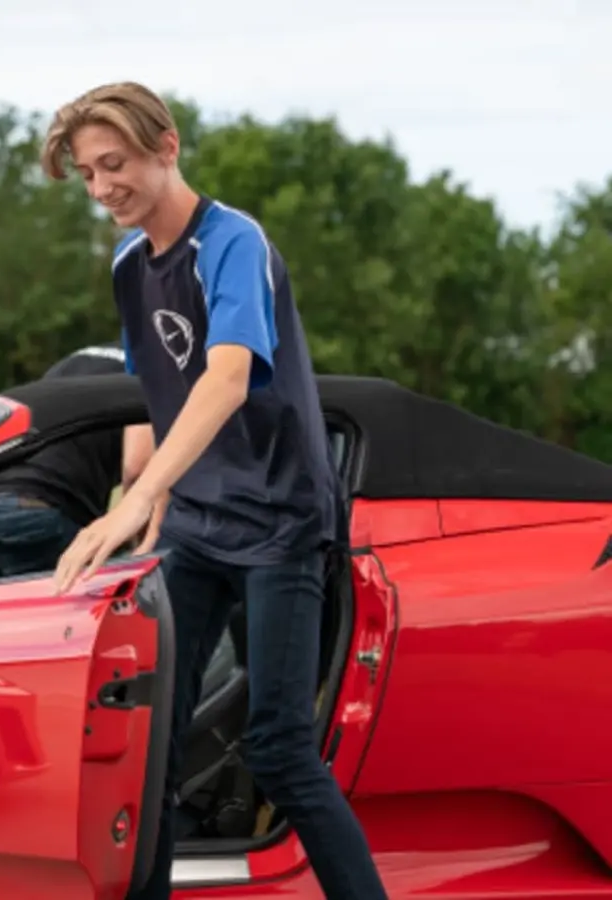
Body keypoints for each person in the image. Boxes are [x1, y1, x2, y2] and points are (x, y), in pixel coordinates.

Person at [44, 83, 389, 900]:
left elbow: (226, 377)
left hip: (279, 524)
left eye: (114, 164)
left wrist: (137, 497)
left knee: (277, 747)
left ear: (167, 145)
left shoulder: (234, 243)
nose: (101, 189)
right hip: (194, 526)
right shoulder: (131, 264)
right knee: (152, 749)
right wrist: (149, 503)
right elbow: (164, 397)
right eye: (88, 174)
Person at [0, 343, 147, 579]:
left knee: (14, 612)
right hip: (36, 509)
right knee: (80, 606)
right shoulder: (147, 370)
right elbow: (137, 468)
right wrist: (142, 546)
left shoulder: (83, 357)